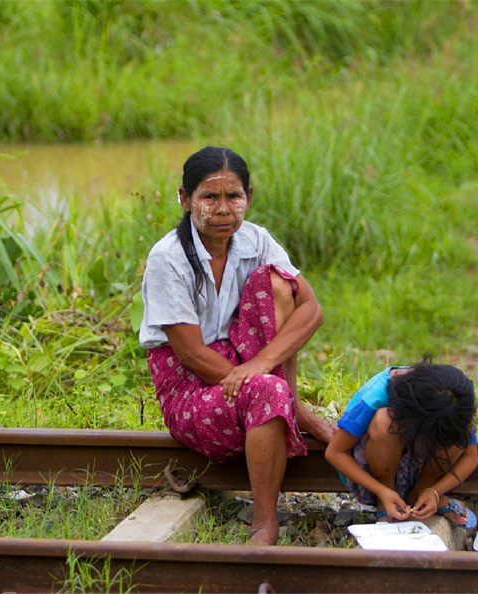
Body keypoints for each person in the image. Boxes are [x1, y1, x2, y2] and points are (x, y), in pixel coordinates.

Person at [139, 146, 334, 546]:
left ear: (249, 197)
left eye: (234, 196)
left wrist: (259, 364)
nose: (224, 209)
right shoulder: (168, 258)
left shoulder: (255, 240)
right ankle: (264, 522)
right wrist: (258, 381)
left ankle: (288, 402)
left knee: (280, 284)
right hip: (191, 387)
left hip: (246, 364)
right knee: (268, 391)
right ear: (185, 199)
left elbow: (311, 310)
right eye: (210, 197)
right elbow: (190, 354)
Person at [325, 361, 478, 529]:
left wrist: (434, 491)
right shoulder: (376, 396)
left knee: (454, 431)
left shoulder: (454, 405)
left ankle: (421, 493)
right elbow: (335, 452)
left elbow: (471, 457)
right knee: (385, 422)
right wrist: (382, 491)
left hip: (420, 469)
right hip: (373, 473)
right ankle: (385, 503)